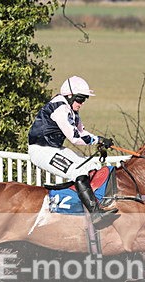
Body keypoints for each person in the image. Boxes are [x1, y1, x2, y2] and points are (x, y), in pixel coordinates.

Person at [28, 76, 118, 227]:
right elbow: (75, 138)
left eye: (84, 100)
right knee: (77, 172)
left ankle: (91, 203)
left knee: (90, 167)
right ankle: (95, 213)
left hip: (54, 148)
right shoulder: (60, 108)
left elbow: (82, 132)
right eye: (80, 99)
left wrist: (99, 140)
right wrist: (98, 140)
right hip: (41, 151)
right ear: (69, 96)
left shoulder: (71, 109)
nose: (81, 104)